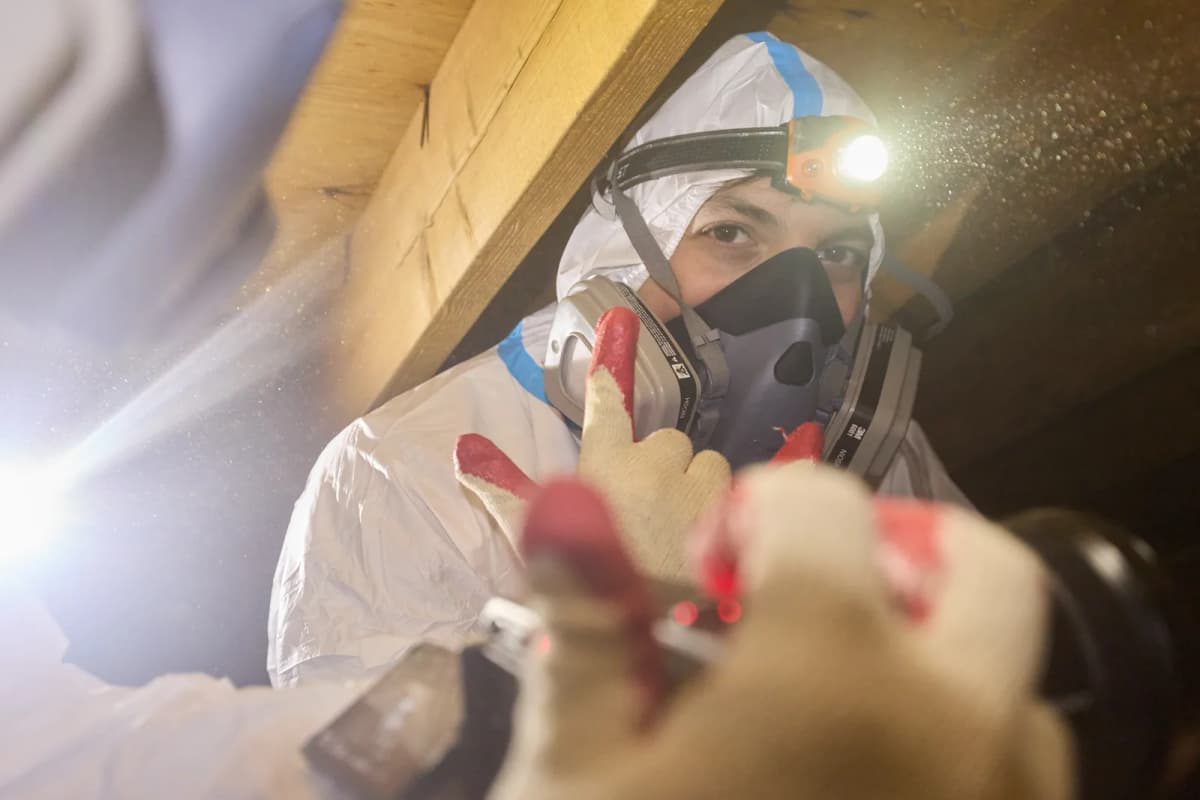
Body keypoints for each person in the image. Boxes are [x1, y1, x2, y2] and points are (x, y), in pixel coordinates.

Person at [268, 31, 970, 688]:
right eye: (730, 233)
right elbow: (369, 758)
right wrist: (635, 625)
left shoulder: (883, 461)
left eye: (838, 253)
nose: (800, 298)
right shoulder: (399, 470)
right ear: (628, 250)